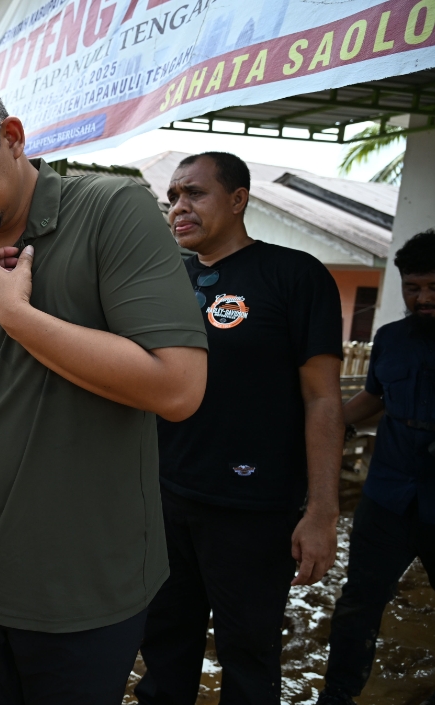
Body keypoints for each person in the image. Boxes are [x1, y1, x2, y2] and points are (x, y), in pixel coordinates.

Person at [0, 57, 208, 703]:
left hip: (86, 592)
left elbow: (177, 388)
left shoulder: (112, 213)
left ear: (13, 137)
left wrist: (15, 314)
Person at [137, 152, 343, 705]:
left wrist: (322, 510)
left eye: (194, 194)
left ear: (238, 199)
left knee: (249, 657)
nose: (179, 206)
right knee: (162, 649)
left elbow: (323, 399)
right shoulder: (167, 278)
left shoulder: (294, 276)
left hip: (253, 510)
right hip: (165, 498)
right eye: (173, 196)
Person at [317, 229, 435, 705]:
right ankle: (337, 696)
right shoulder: (390, 339)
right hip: (386, 496)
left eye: (433, 287)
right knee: (357, 604)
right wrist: (328, 427)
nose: (422, 298)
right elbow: (374, 396)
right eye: (413, 287)